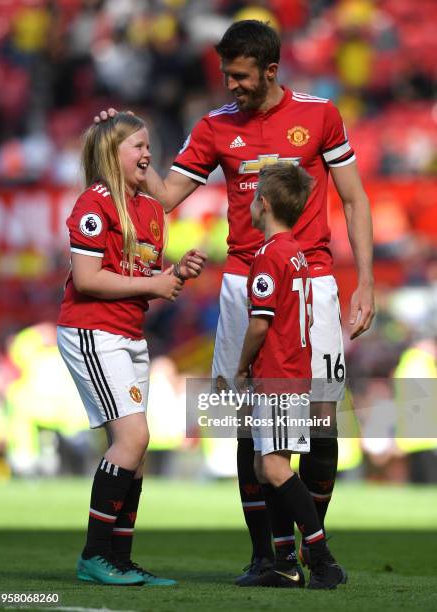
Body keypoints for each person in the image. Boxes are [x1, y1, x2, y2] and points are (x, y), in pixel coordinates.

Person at [97, 19, 375, 583]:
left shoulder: (320, 115)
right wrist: (121, 146)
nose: (232, 86)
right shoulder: (215, 127)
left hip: (311, 282)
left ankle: (302, 546)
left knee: (319, 420)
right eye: (226, 74)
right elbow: (170, 196)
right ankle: (266, 558)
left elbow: (354, 199)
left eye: (242, 76)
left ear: (271, 70)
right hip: (243, 283)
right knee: (247, 417)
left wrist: (365, 282)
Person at [57, 112, 206, 586]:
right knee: (132, 440)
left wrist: (174, 275)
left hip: (126, 333)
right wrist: (159, 283)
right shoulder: (93, 204)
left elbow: (140, 280)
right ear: (111, 154)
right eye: (137, 147)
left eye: (149, 145)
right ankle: (95, 556)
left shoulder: (149, 210)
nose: (147, 154)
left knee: (135, 450)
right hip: (93, 330)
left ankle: (118, 559)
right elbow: (87, 279)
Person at [234, 162, 346, 589]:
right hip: (293, 374)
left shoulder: (268, 256)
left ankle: (321, 559)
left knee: (276, 470)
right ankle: (284, 562)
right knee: (267, 468)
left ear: (262, 205)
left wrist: (242, 366)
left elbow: (260, 324)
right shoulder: (298, 252)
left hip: (278, 376)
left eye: (253, 195)